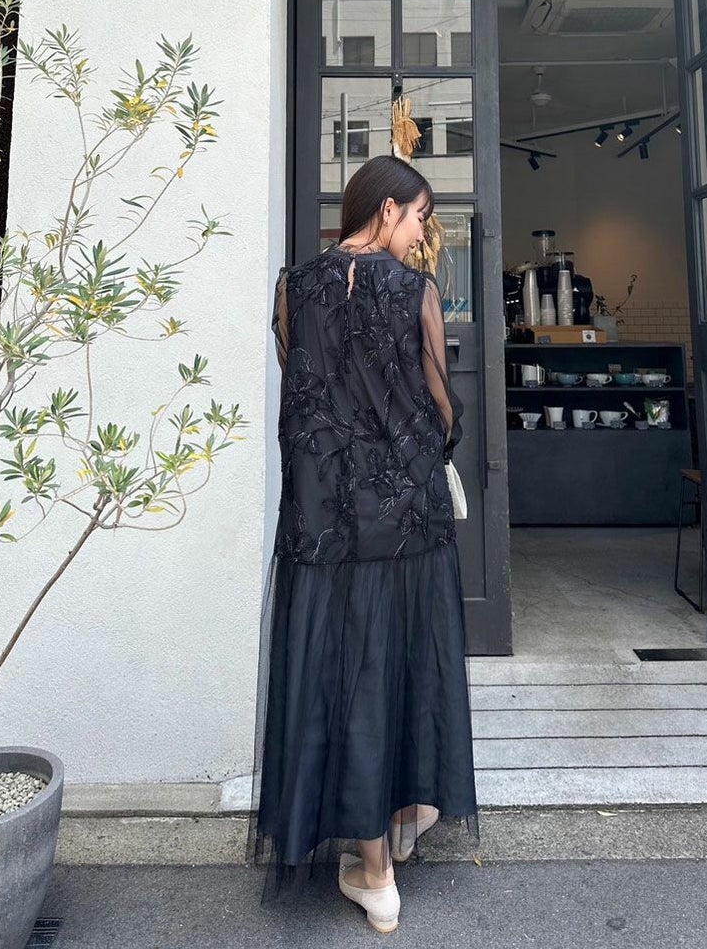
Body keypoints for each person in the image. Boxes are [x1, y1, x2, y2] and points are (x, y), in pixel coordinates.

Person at [247, 154, 479, 932]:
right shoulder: (415, 291)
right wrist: (430, 448)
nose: (419, 233)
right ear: (386, 210)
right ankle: (396, 840)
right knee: (400, 665)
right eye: (417, 216)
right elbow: (440, 407)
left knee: (339, 673)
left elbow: (302, 387)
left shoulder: (292, 286)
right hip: (404, 516)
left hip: (321, 520)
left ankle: (374, 866)